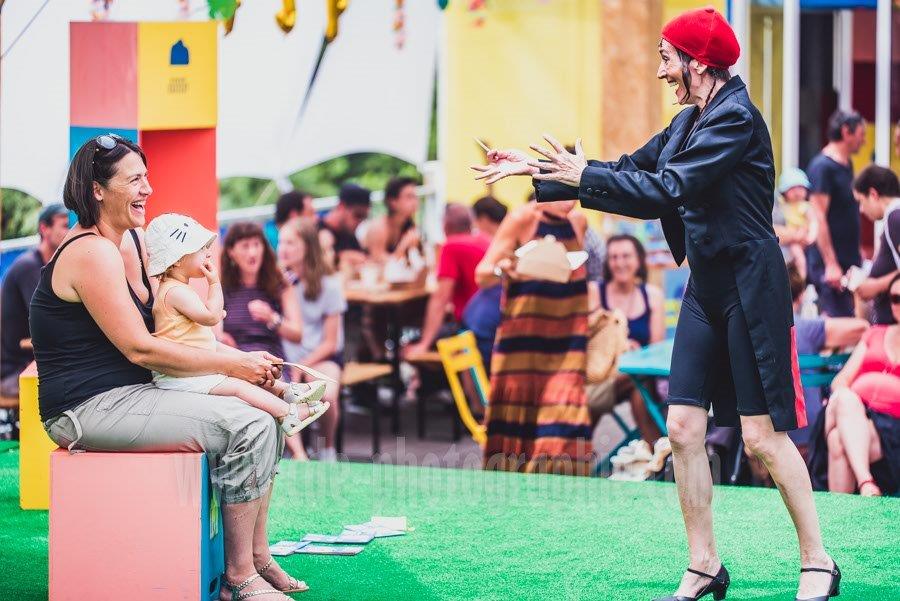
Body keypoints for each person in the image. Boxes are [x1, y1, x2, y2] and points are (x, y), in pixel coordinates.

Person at [473, 8, 840, 600]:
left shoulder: (735, 118)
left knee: (761, 438)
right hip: (706, 286)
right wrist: (536, 170)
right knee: (683, 427)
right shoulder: (687, 121)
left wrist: (584, 176)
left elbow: (667, 189)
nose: (663, 71)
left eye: (668, 59)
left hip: (751, 286)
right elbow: (627, 170)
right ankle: (704, 564)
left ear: (699, 62)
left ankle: (818, 560)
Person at [32, 133, 306, 599]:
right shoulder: (90, 252)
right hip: (85, 409)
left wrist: (233, 362)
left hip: (132, 394)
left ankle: (259, 557)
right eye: (134, 180)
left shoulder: (132, 242)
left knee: (265, 417)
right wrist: (233, 364)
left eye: (147, 177)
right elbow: (141, 350)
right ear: (97, 190)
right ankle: (240, 577)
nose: (148, 189)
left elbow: (167, 339)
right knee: (249, 425)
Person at [145, 213, 329, 437]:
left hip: (193, 366)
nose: (208, 253)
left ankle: (287, 392)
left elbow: (207, 321)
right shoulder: (175, 292)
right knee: (239, 386)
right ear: (177, 260)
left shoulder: (177, 289)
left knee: (247, 375)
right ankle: (287, 414)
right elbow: (211, 317)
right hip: (180, 376)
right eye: (201, 249)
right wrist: (214, 283)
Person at [474, 199, 593, 476]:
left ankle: (560, 495)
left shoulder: (579, 222)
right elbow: (482, 274)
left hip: (567, 344)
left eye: (574, 192)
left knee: (563, 426)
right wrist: (503, 268)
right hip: (522, 345)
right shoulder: (522, 218)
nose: (570, 201)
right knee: (518, 427)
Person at [278, 219, 347, 462]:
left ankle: (327, 450)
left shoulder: (329, 285)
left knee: (326, 393)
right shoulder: (278, 282)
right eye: (280, 242)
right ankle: (294, 452)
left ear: (307, 246)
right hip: (284, 356)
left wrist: (303, 366)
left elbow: (331, 342)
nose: (283, 248)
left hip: (321, 356)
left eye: (290, 243)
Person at [824, 273, 900, 497]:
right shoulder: (875, 334)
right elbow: (841, 381)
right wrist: (849, 405)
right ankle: (866, 482)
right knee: (845, 398)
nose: (898, 305)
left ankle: (843, 511)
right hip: (856, 411)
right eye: (895, 299)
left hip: (892, 425)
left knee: (838, 440)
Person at [589, 234, 665, 445]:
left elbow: (656, 348)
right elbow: (587, 338)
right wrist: (622, 347)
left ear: (639, 260)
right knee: (640, 389)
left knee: (641, 391)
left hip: (638, 376)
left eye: (626, 256)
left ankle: (655, 453)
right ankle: (658, 452)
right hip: (602, 377)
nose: (620, 263)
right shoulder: (595, 292)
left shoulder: (652, 295)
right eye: (614, 257)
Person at [786, 262, 868, 448]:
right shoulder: (807, 328)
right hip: (809, 431)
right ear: (800, 296)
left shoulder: (756, 329)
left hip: (771, 433)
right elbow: (863, 328)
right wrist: (856, 291)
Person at [403, 204, 490, 358]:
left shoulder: (451, 246)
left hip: (470, 329)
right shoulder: (484, 239)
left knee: (410, 344)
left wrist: (424, 344)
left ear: (445, 225)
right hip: (490, 323)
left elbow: (440, 299)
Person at [1, 203, 68, 398]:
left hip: (34, 363)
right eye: (64, 226)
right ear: (44, 229)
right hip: (14, 372)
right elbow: (48, 321)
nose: (70, 232)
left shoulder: (49, 266)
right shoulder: (28, 266)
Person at [806, 110, 867, 317]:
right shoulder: (822, 167)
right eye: (861, 134)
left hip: (848, 261)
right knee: (839, 324)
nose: (864, 140)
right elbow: (818, 216)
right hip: (831, 267)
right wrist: (831, 264)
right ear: (846, 132)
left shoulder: (847, 165)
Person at [219, 222, 303, 362]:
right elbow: (209, 330)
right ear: (231, 252)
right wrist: (220, 337)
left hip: (270, 361)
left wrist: (272, 318)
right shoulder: (222, 287)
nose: (253, 252)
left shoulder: (280, 283)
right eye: (245, 246)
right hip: (235, 361)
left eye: (257, 244)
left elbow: (297, 334)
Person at [853, 166, 900, 325]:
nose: (861, 209)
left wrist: (876, 286)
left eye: (861, 201)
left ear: (873, 194)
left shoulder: (895, 217)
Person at [365, 177, 421, 263]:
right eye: (409, 197)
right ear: (393, 201)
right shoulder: (378, 228)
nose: (415, 202)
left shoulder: (408, 225)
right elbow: (379, 263)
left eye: (415, 197)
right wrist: (403, 246)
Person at [773, 168, 816, 280]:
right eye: (792, 189)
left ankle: (801, 278)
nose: (797, 192)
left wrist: (810, 236)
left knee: (798, 257)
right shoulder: (781, 204)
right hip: (786, 243)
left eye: (800, 188)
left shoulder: (804, 206)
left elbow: (813, 222)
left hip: (799, 242)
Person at [318, 183, 371, 269]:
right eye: (358, 215)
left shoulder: (349, 234)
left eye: (364, 217)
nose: (360, 221)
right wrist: (340, 257)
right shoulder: (316, 231)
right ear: (341, 206)